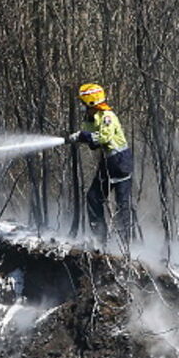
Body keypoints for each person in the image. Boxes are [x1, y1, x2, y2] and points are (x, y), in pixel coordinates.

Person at [66, 83, 134, 245]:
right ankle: (100, 240)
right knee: (93, 197)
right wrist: (82, 135)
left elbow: (104, 137)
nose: (82, 107)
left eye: (83, 104)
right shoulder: (94, 117)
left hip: (120, 162)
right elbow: (92, 138)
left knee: (121, 205)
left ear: (91, 102)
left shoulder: (107, 116)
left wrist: (84, 135)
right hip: (108, 162)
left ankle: (125, 246)